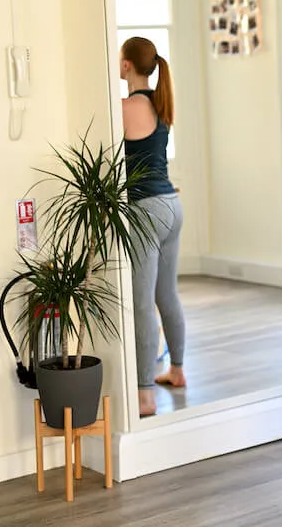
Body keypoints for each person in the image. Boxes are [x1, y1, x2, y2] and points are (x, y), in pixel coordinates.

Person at [120, 36, 187, 418]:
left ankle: (144, 394)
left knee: (143, 302)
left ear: (126, 65)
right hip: (172, 205)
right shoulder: (161, 103)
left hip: (145, 210)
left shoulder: (126, 108)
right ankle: (176, 370)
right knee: (168, 295)